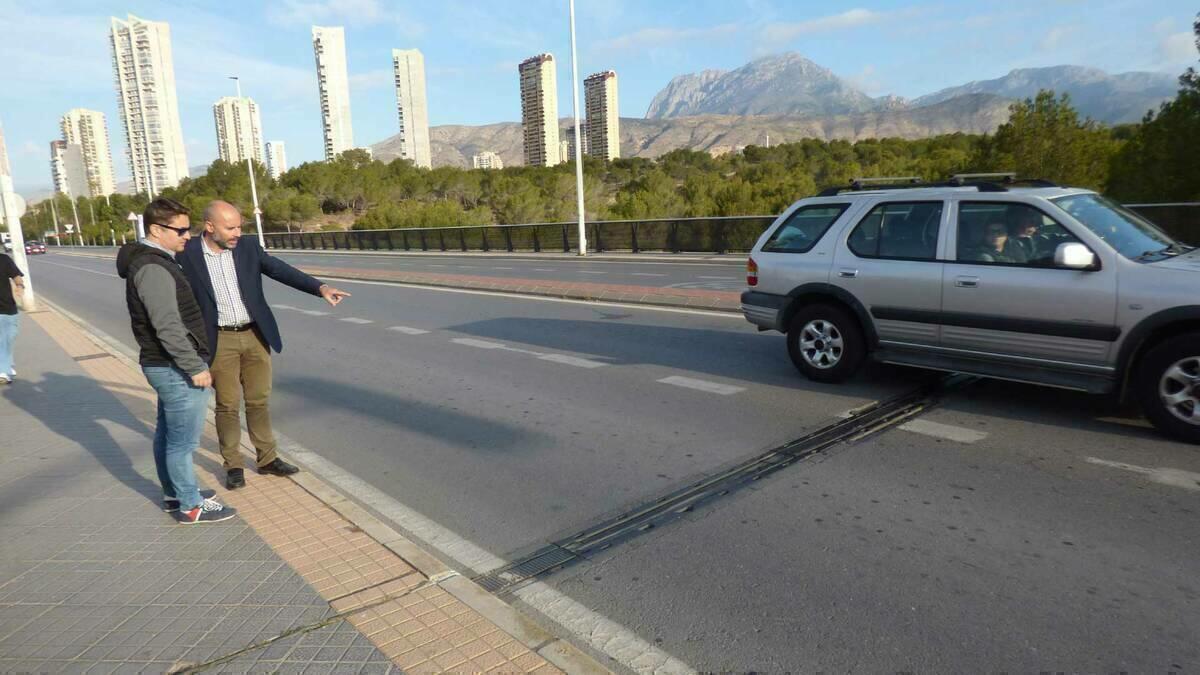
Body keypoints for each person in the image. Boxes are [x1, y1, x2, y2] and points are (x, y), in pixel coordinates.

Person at [178, 200, 350, 489]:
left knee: (259, 400)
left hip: (255, 335)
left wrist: (320, 288)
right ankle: (233, 464)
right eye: (229, 227)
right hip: (219, 339)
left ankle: (267, 458)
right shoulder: (188, 254)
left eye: (239, 226)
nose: (237, 232)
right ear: (209, 227)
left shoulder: (247, 248)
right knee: (228, 405)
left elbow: (279, 269)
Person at [116, 198, 237, 524]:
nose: (187, 235)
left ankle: (176, 493)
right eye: (181, 230)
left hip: (165, 365)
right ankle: (190, 504)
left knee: (168, 436)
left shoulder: (154, 261)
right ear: (157, 229)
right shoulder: (153, 267)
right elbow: (167, 325)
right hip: (173, 367)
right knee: (182, 443)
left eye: (189, 228)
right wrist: (195, 367)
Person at [0, 251, 25, 384]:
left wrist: (20, 286)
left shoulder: (4, 259)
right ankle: (2, 372)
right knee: (1, 340)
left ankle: (7, 366)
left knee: (10, 337)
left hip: (8, 306)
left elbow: (16, 275)